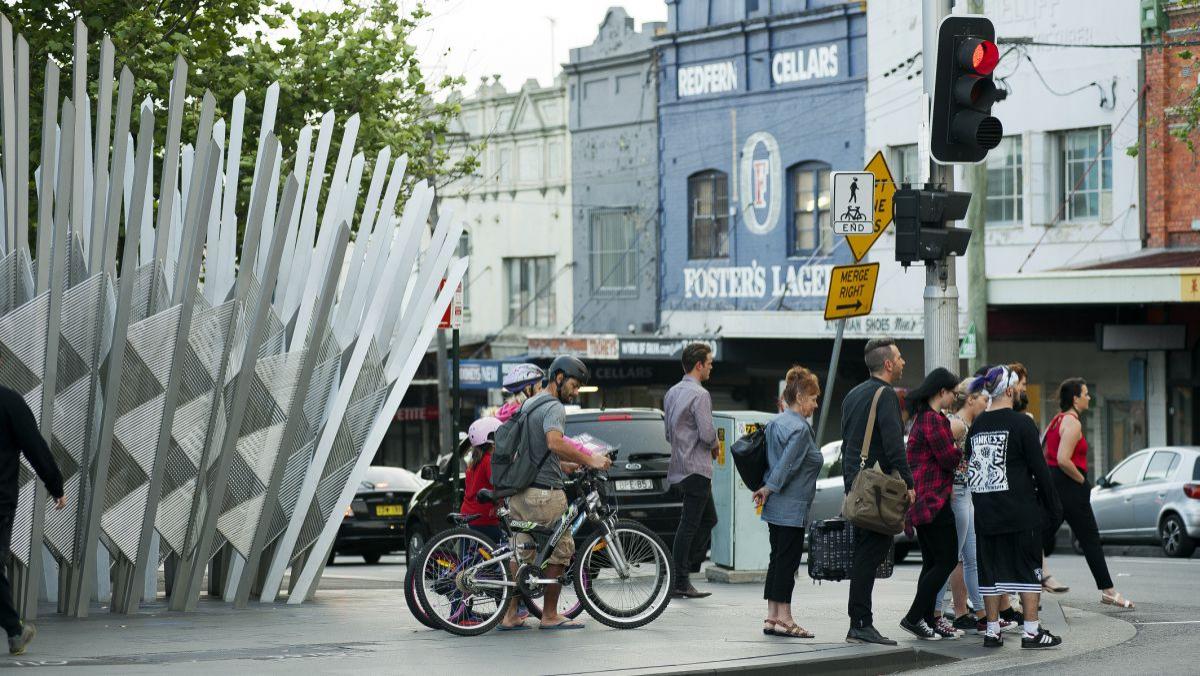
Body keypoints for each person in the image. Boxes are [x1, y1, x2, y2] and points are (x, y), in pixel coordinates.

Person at [506, 356, 612, 630]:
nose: (575, 392)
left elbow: (535, 451)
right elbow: (554, 442)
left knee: (522, 554)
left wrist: (566, 465)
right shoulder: (553, 407)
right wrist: (591, 460)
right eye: (574, 386)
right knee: (561, 550)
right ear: (560, 378)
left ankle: (510, 614)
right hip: (544, 495)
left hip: (520, 492)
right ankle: (550, 615)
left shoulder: (530, 403)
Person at [965, 366, 1063, 649]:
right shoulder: (1022, 424)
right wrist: (1053, 507)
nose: (1020, 390)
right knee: (1028, 569)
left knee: (990, 572)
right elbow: (1039, 469)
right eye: (1018, 386)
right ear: (1008, 390)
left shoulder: (978, 425)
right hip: (1019, 510)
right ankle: (1031, 632)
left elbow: (973, 465)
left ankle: (992, 630)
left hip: (986, 511)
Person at [840, 337, 915, 646]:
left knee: (864, 553)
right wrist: (909, 484)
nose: (903, 362)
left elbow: (847, 442)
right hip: (877, 488)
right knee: (869, 554)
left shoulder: (852, 394)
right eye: (899, 358)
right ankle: (860, 623)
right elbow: (896, 446)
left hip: (856, 483)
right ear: (887, 364)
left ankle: (859, 621)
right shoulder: (885, 395)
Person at [1041, 378, 1134, 609]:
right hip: (1070, 486)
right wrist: (1083, 480)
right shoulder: (1072, 423)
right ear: (1075, 398)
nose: (1089, 397)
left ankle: (1029, 582)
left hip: (1054, 485)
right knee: (1090, 540)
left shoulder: (1055, 421)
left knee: (1040, 535)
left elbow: (1046, 454)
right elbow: (1063, 459)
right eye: (1085, 393)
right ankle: (1109, 592)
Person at [935, 378, 1018, 634]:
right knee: (948, 558)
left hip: (967, 494)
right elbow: (940, 459)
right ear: (971, 399)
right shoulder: (957, 425)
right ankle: (935, 613)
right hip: (957, 494)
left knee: (972, 558)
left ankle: (982, 614)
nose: (987, 403)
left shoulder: (971, 424)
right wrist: (946, 492)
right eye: (984, 398)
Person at [751, 366, 823, 639]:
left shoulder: (775, 422)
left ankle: (772, 616)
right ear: (802, 397)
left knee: (777, 559)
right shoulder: (800, 429)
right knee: (788, 562)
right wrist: (769, 488)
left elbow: (774, 462)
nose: (815, 405)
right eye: (814, 399)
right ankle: (786, 619)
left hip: (776, 506)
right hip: (791, 505)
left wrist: (768, 490)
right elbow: (787, 464)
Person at [0, 385, 67, 655]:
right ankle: (15, 631)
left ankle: (15, 630)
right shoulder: (9, 402)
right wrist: (56, 485)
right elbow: (33, 445)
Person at [900, 367, 965, 641]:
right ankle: (914, 617)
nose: (955, 398)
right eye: (953, 393)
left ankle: (927, 619)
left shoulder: (925, 418)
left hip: (925, 500)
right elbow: (949, 459)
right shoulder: (932, 420)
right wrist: (959, 446)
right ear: (942, 391)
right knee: (947, 558)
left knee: (931, 562)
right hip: (932, 500)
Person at [664, 342, 719, 599]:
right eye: (708, 363)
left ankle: (683, 572)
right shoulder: (700, 394)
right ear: (698, 365)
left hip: (678, 467)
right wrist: (717, 444)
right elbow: (708, 434)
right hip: (697, 468)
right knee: (689, 525)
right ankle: (680, 579)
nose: (710, 367)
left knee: (707, 520)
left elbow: (667, 434)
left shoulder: (672, 392)